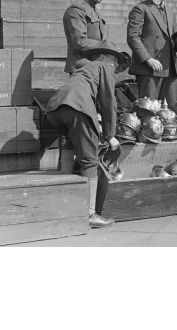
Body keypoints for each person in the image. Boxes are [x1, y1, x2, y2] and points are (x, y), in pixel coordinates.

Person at [46, 41, 131, 228]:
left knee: (69, 144)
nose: (116, 64)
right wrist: (110, 135)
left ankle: (65, 202)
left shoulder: (84, 69)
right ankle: (90, 215)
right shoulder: (103, 67)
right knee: (90, 160)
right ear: (101, 57)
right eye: (114, 58)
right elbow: (108, 102)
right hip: (77, 107)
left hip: (55, 109)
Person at [127, 0, 177, 106]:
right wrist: (148, 59)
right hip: (149, 69)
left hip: (170, 70)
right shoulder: (141, 8)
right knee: (149, 113)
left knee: (171, 114)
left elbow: (174, 39)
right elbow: (133, 37)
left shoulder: (170, 11)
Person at [63, 0, 108, 74]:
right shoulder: (77, 9)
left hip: (96, 67)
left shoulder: (95, 10)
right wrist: (107, 47)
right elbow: (80, 41)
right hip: (81, 69)